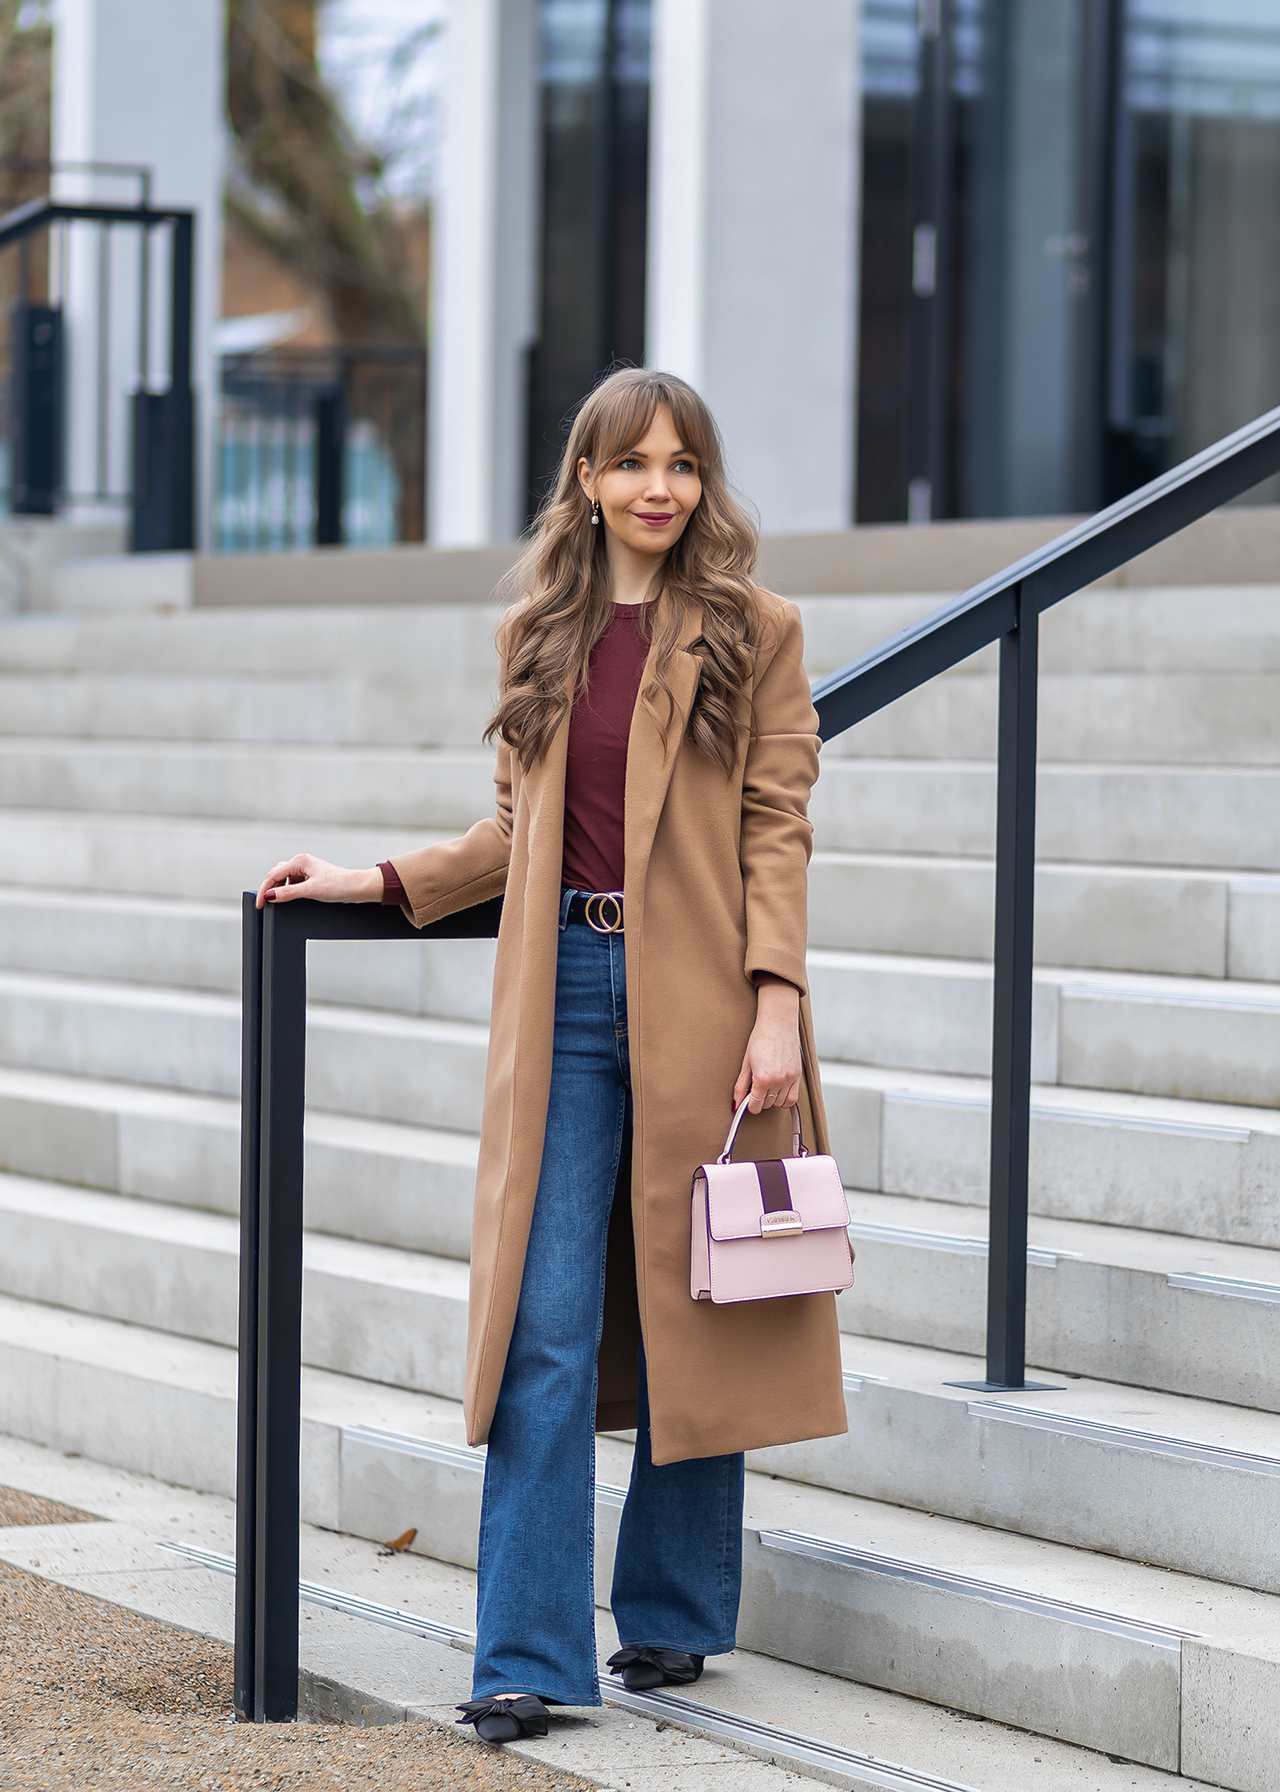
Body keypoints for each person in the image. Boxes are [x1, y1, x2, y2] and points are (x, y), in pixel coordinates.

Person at [254, 367, 848, 1747]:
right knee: (544, 1322)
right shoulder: (541, 631)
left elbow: (777, 825)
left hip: (709, 1001)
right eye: (632, 463)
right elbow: (516, 837)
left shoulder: (756, 630)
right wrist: (376, 877)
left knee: (707, 1308)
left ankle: (676, 1616)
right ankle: (524, 1654)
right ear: (585, 480)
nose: (659, 487)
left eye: (683, 464)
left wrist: (776, 1006)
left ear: (704, 484)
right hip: (566, 991)